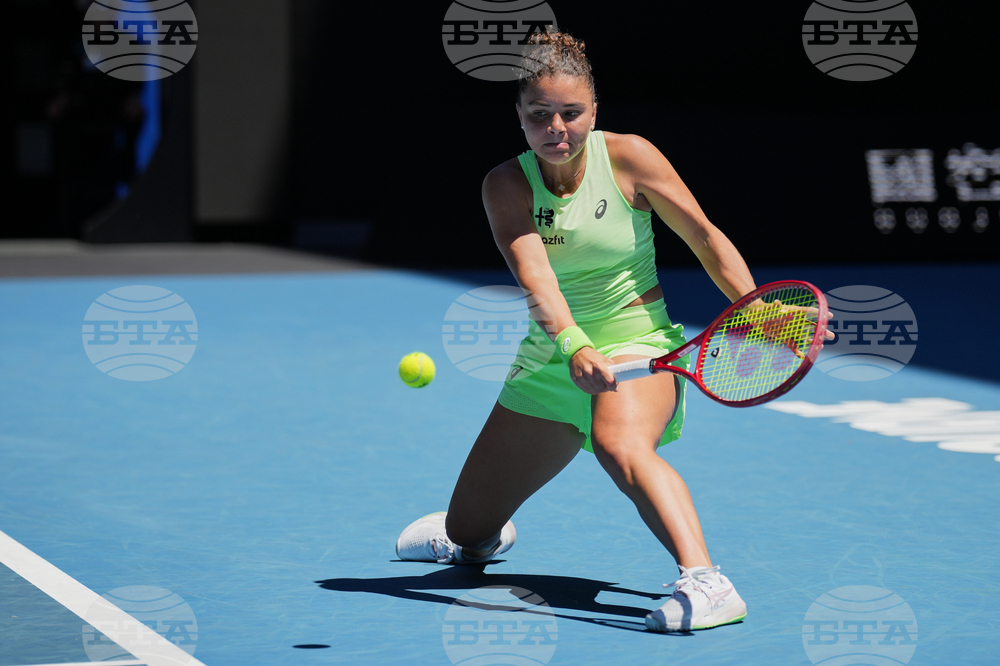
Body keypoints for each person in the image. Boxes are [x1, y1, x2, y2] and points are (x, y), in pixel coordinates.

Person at [397, 30, 755, 632]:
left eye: (572, 113)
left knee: (622, 445)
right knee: (467, 533)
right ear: (519, 117)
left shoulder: (631, 158)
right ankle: (482, 539)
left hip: (640, 339)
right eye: (540, 116)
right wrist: (572, 344)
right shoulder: (505, 184)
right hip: (554, 354)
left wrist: (758, 309)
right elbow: (535, 276)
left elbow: (705, 238)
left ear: (594, 110)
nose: (557, 128)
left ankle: (707, 583)